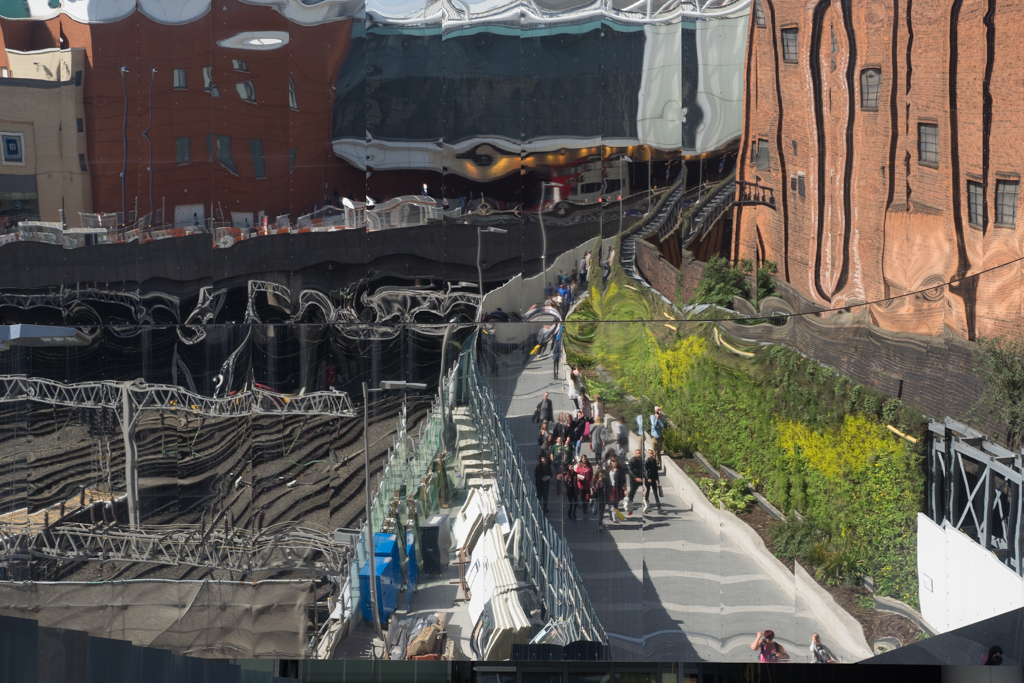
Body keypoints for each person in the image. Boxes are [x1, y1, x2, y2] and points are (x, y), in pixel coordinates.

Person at [643, 448, 663, 514]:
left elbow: (656, 470)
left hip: (653, 479)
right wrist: (648, 478)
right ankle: (646, 505)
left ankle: (659, 507)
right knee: (647, 493)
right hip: (648, 480)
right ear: (648, 454)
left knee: (655, 493)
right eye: (650, 454)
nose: (651, 455)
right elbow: (645, 471)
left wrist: (657, 478)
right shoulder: (647, 462)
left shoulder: (654, 461)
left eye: (652, 453)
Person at [626, 448, 644, 515]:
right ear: (635, 453)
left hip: (641, 478)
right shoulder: (632, 461)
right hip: (634, 479)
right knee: (633, 491)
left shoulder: (642, 460)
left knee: (645, 490)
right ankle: (629, 503)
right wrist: (635, 478)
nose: (639, 454)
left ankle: (645, 503)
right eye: (637, 453)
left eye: (639, 453)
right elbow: (630, 470)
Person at [607, 456, 625, 520]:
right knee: (611, 502)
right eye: (613, 461)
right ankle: (611, 514)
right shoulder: (608, 469)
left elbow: (624, 480)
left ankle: (614, 515)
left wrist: (625, 489)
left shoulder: (620, 469)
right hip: (610, 488)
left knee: (615, 502)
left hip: (617, 487)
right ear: (611, 462)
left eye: (616, 461)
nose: (614, 462)